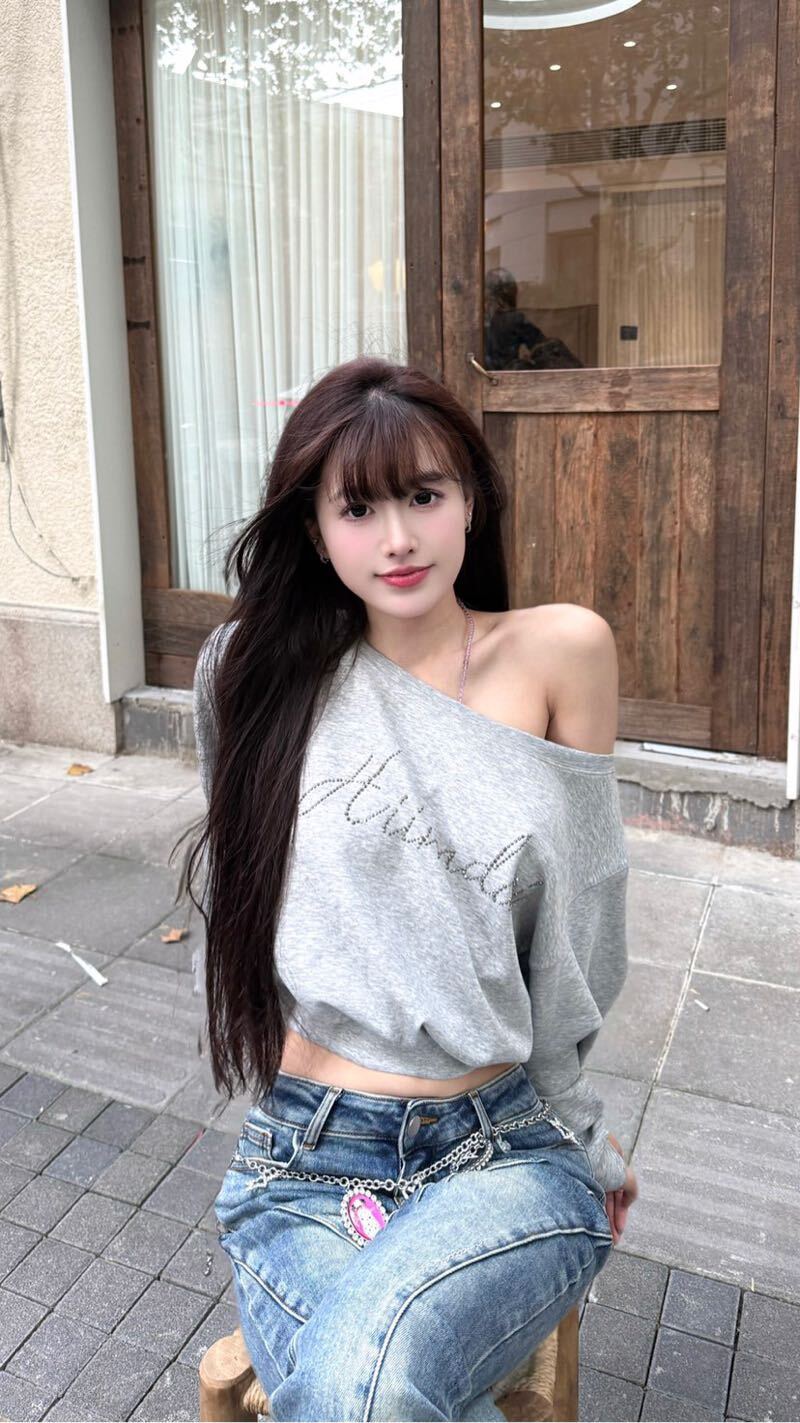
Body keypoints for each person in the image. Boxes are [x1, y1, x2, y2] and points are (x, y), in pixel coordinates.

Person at [183, 354, 638, 1422]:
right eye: (358, 509)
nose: (397, 538)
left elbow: (584, 934)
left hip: (503, 1152)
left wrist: (585, 1134)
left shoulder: (561, 654)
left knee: (364, 1389)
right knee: (370, 1393)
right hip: (304, 1162)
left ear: (470, 499)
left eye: (423, 496)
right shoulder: (251, 673)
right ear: (313, 530)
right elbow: (249, 899)